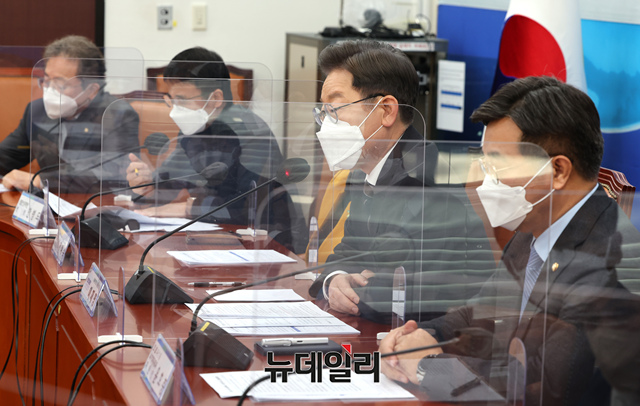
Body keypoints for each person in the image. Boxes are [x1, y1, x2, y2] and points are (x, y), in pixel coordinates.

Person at [380, 76, 640, 405]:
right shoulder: (536, 227)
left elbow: (543, 384)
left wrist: (427, 367)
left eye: (498, 165)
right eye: (485, 164)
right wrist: (421, 336)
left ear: (558, 171)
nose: (485, 182)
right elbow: (481, 311)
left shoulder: (605, 263)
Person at [307, 40, 494, 323]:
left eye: (335, 109)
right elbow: (348, 252)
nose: (325, 124)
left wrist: (358, 284)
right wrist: (334, 279)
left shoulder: (426, 183)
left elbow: (402, 293)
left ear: (386, 111)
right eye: (323, 112)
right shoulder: (366, 172)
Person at [130, 47, 302, 252]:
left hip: (266, 243)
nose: (175, 109)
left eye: (182, 100)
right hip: (215, 238)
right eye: (171, 100)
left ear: (216, 98)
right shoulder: (196, 127)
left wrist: (188, 207)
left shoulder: (249, 134)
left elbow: (247, 207)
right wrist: (146, 184)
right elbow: (172, 179)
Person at [0, 35, 140, 193]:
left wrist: (41, 181)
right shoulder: (37, 111)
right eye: (47, 81)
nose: (50, 90)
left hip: (94, 204)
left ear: (91, 90)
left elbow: (109, 173)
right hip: (47, 204)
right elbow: (7, 156)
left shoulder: (118, 115)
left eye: (60, 85)